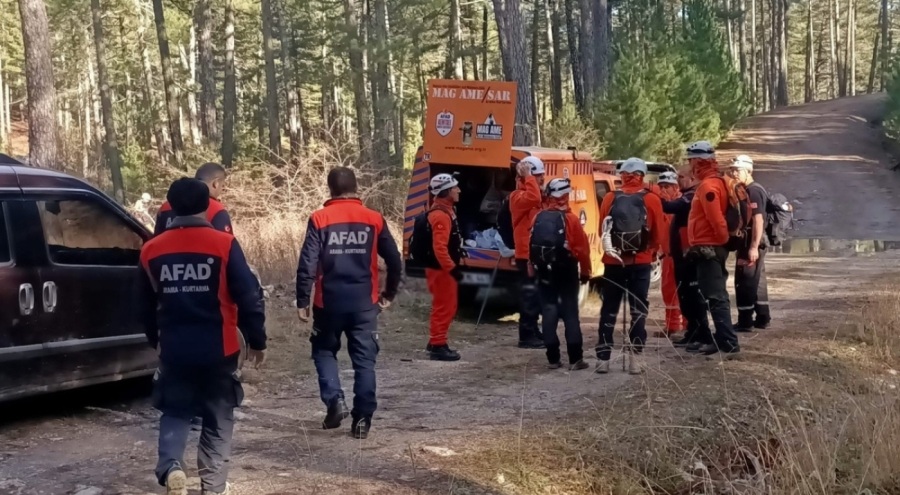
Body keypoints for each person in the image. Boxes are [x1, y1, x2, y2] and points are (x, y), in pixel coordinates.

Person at [139, 178, 267, 495]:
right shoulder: (223, 245)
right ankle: (213, 486)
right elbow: (248, 295)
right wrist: (256, 339)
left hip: (175, 348)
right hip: (218, 348)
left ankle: (170, 467)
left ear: (171, 206)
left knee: (176, 410)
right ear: (206, 206)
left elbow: (141, 304)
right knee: (218, 417)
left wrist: (154, 339)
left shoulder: (151, 250)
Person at [295, 167, 402, 439]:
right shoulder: (374, 218)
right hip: (364, 304)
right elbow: (394, 259)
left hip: (327, 303)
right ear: (356, 188)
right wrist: (389, 293)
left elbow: (308, 262)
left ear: (330, 189)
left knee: (323, 352)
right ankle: (362, 420)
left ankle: (334, 401)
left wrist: (302, 299)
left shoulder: (319, 218)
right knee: (364, 362)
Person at [595, 157, 666, 375]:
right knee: (638, 311)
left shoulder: (609, 197)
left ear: (622, 175)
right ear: (642, 176)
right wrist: (650, 251)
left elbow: (602, 231)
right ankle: (636, 360)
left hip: (613, 262)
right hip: (641, 262)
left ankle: (603, 359)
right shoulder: (652, 199)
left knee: (609, 310)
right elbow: (659, 234)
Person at [685, 141, 741, 356]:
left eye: (690, 160)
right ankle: (723, 339)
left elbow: (716, 220)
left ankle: (728, 342)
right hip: (711, 246)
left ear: (697, 161)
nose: (689, 166)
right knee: (714, 295)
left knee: (715, 296)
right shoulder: (716, 182)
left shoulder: (709, 186)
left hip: (709, 247)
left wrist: (721, 241)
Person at [529, 178, 592, 370]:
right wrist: (586, 272)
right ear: (566, 196)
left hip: (544, 272)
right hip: (566, 270)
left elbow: (530, 243)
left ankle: (553, 359)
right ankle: (575, 359)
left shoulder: (538, 216)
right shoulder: (571, 219)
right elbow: (582, 249)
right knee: (570, 314)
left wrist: (532, 268)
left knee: (549, 312)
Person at [661, 165, 712, 349]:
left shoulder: (691, 196)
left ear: (692, 178)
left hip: (688, 255)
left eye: (681, 176)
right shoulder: (687, 195)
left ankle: (702, 333)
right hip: (680, 255)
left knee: (693, 295)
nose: (677, 180)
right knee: (684, 295)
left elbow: (670, 206)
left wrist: (651, 195)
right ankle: (692, 332)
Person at [422, 173, 466, 361]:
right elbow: (439, 248)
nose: (459, 190)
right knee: (444, 306)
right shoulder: (440, 215)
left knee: (447, 305)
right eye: (455, 187)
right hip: (441, 271)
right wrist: (452, 269)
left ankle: (435, 342)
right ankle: (438, 345)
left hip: (441, 269)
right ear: (446, 191)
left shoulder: (444, 211)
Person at [726, 154, 771, 332]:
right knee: (757, 280)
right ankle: (763, 317)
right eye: (732, 170)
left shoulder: (753, 191)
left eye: (737, 170)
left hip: (752, 242)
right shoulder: (748, 189)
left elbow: (758, 220)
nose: (734, 173)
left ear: (748, 170)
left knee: (744, 279)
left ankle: (745, 321)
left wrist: (753, 247)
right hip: (751, 241)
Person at [509, 156, 547, 349]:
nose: (542, 179)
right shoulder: (518, 197)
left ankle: (533, 330)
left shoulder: (536, 195)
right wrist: (529, 178)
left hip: (537, 254)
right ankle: (526, 336)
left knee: (537, 296)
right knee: (529, 296)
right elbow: (533, 198)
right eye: (539, 175)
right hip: (526, 256)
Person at [155, 162, 233, 236]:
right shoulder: (217, 210)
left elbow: (155, 239)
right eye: (222, 185)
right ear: (215, 184)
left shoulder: (164, 208)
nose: (223, 189)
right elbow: (226, 244)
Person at [656, 171, 687, 337]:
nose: (663, 189)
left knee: (685, 290)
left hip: (681, 255)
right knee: (668, 291)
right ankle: (672, 325)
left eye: (666, 186)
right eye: (660, 186)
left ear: (675, 186)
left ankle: (689, 324)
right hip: (667, 256)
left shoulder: (681, 203)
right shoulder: (662, 205)